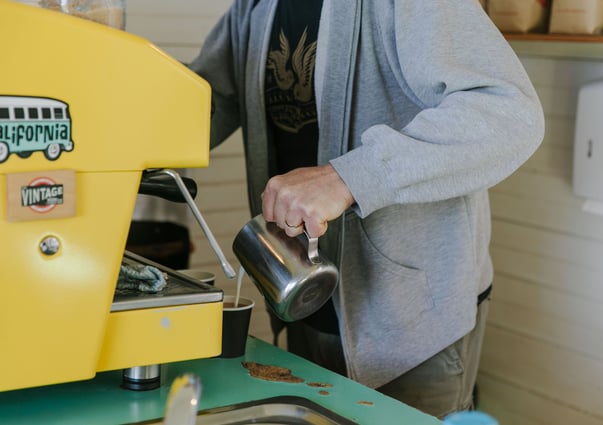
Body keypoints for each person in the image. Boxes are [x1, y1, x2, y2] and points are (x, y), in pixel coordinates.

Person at [189, 0, 544, 418]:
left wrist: (346, 177)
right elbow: (200, 108)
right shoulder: (252, 7)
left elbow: (510, 113)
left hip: (411, 319)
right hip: (303, 300)